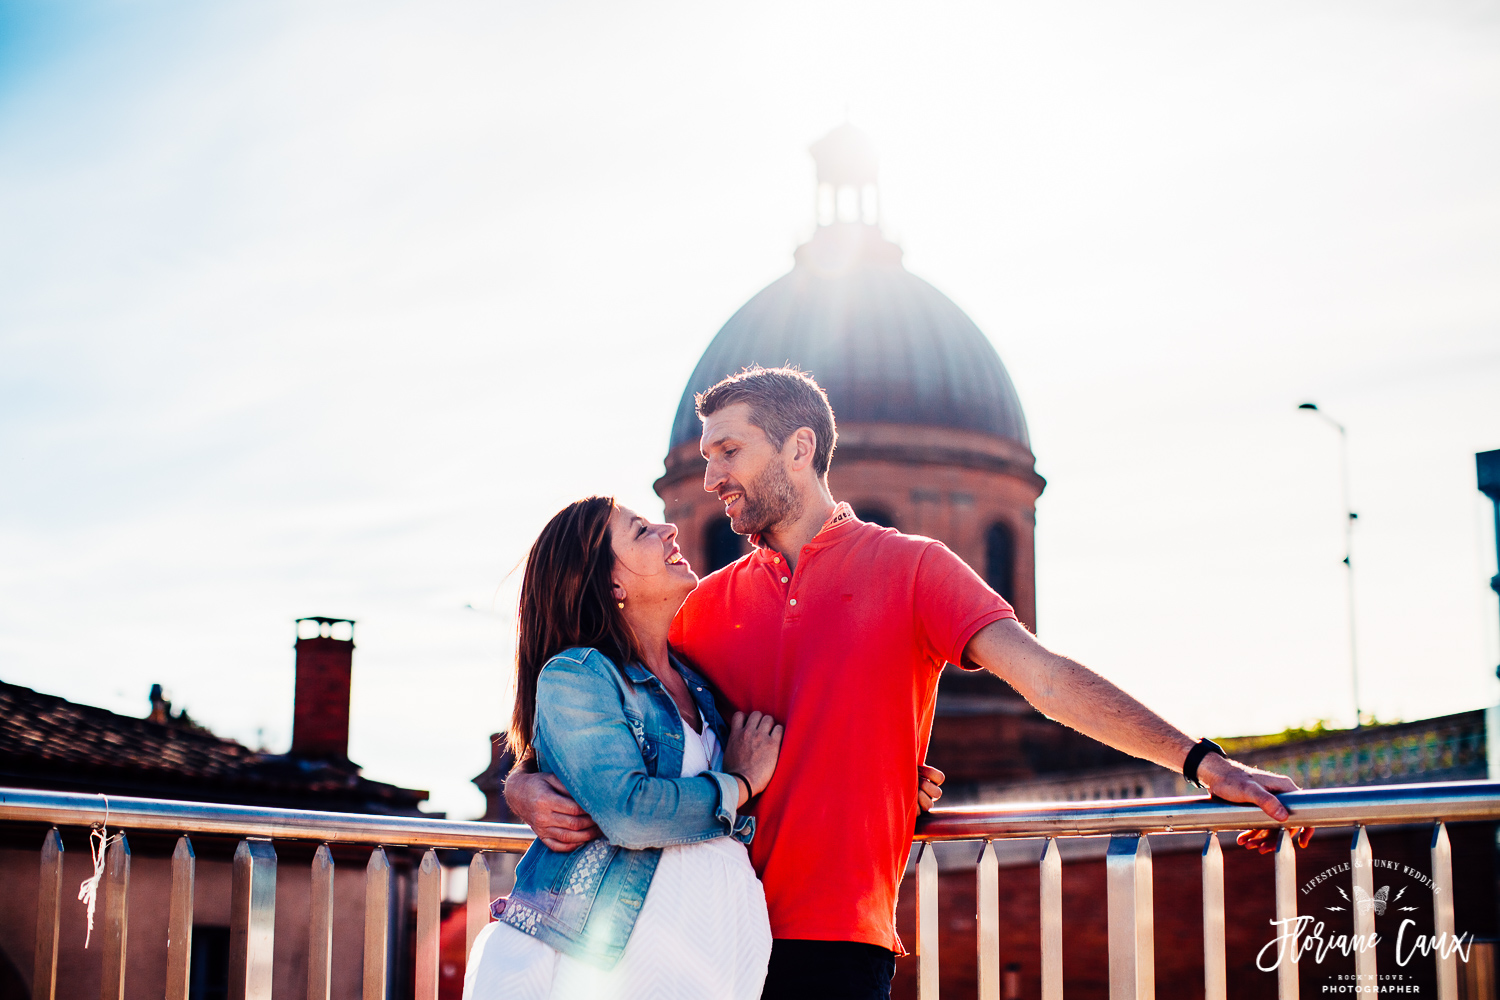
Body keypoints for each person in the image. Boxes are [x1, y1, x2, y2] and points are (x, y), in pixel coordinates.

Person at [507, 366, 1303, 1000]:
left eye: (729, 452)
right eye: (705, 456)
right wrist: (525, 780)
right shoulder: (699, 608)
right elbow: (599, 710)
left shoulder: (915, 570)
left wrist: (1203, 762)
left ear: (799, 449)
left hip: (834, 947)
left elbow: (1048, 679)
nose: (711, 477)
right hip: (695, 936)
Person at [462, 496, 783, 1000]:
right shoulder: (579, 674)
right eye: (640, 533)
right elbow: (629, 813)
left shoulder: (701, 679)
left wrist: (894, 777)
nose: (670, 529)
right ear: (613, 585)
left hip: (716, 945)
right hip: (617, 955)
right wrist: (736, 783)